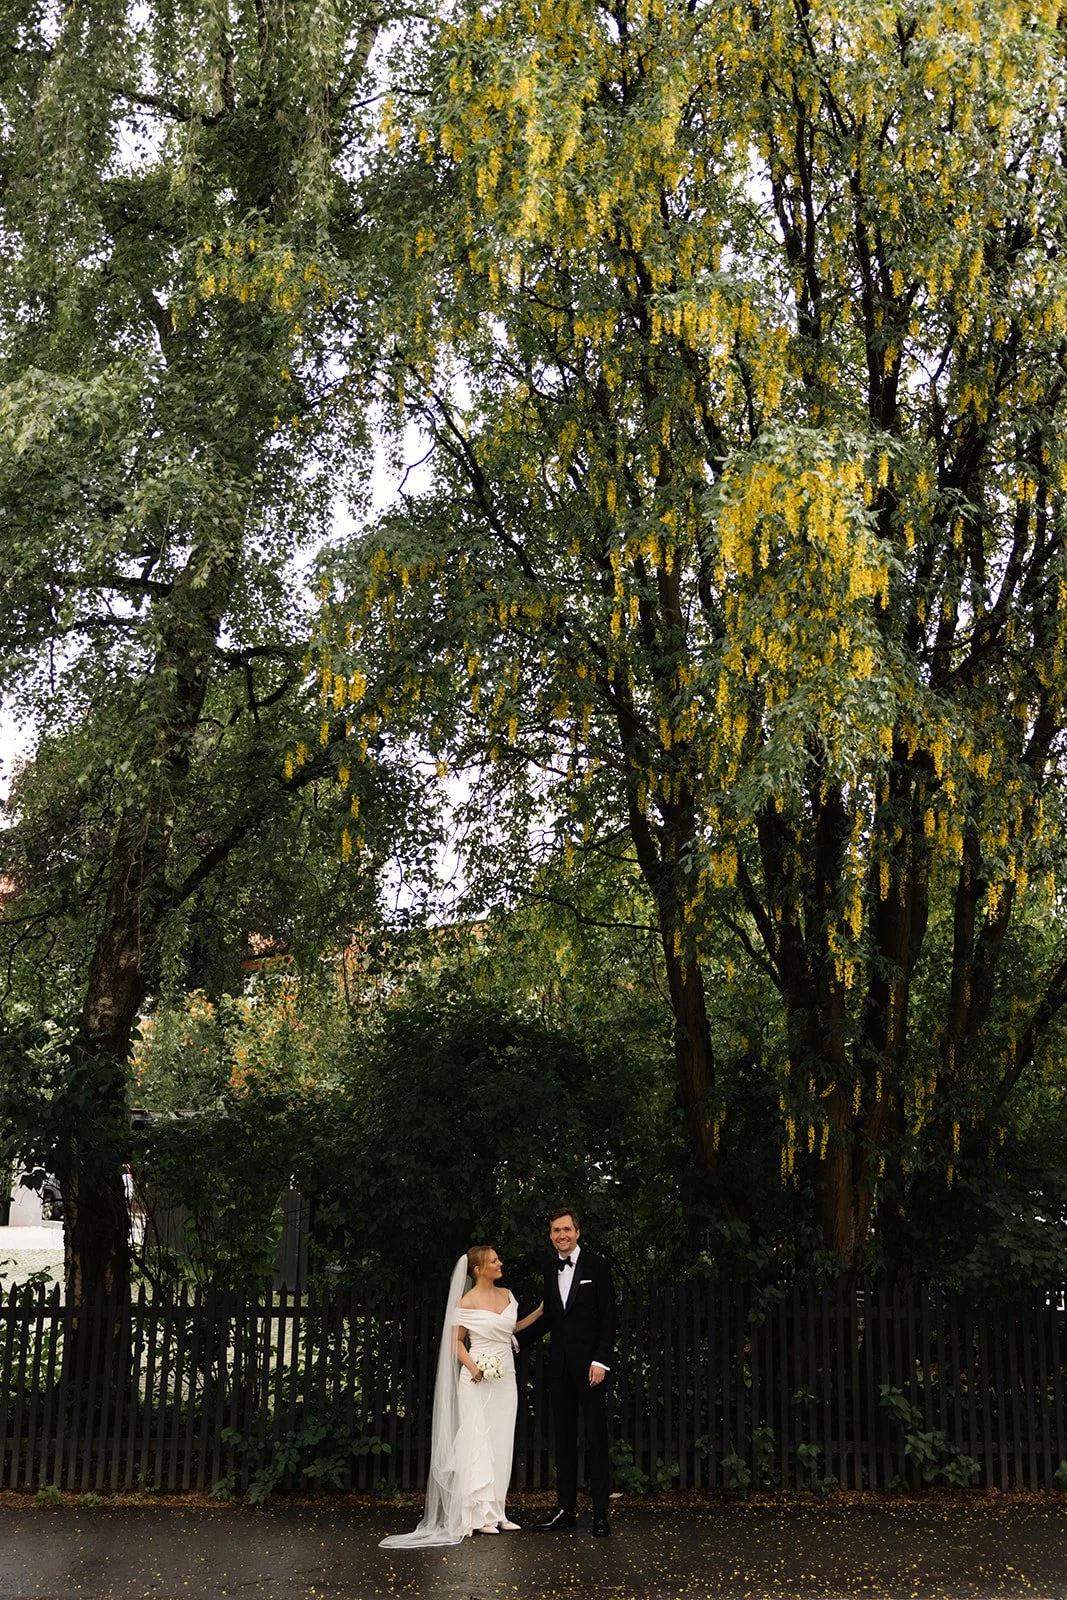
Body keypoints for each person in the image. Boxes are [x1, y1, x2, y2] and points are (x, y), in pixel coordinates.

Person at [380, 1245, 543, 1548]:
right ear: (479, 1269)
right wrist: (475, 1368)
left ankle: (497, 1511)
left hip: (505, 1377)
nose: (500, 1263)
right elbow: (456, 1343)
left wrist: (538, 1312)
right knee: (476, 1439)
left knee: (501, 1441)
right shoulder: (466, 1302)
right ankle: (473, 1514)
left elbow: (510, 1331)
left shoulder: (508, 1295)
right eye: (494, 1261)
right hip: (476, 1378)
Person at [523, 1207, 616, 1537]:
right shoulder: (550, 1269)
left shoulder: (597, 1266)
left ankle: (601, 1513)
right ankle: (565, 1509)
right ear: (550, 1236)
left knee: (596, 1438)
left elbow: (608, 1316)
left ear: (577, 1232)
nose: (561, 1235)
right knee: (563, 1439)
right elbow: (549, 1318)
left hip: (591, 1367)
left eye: (566, 1229)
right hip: (560, 1367)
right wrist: (514, 1342)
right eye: (555, 1231)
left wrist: (601, 1361)